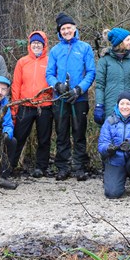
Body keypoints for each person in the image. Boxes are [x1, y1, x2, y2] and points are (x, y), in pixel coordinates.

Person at [46, 12, 96, 181]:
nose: (66, 31)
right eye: (63, 28)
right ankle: (62, 166)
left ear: (75, 28)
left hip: (79, 98)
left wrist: (79, 89)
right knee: (61, 133)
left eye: (69, 28)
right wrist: (57, 85)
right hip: (60, 98)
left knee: (79, 133)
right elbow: (49, 73)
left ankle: (80, 166)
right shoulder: (55, 50)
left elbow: (91, 72)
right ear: (59, 31)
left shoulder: (85, 48)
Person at [11, 31, 53, 178]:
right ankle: (10, 165)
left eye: (39, 43)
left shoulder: (50, 61)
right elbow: (16, 85)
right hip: (25, 105)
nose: (36, 45)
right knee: (18, 137)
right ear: (29, 45)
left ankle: (41, 167)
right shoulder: (22, 62)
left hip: (45, 105)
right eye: (33, 43)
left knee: (44, 138)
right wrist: (15, 107)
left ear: (44, 45)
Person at [97, 91, 130, 199]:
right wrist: (108, 148)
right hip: (115, 159)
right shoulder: (109, 121)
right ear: (117, 105)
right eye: (122, 104)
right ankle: (114, 178)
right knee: (112, 193)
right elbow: (102, 144)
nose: (124, 107)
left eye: (128, 104)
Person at [93, 27, 130, 126]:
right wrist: (99, 105)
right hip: (110, 107)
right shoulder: (105, 61)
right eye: (128, 40)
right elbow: (100, 85)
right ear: (120, 42)